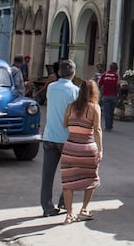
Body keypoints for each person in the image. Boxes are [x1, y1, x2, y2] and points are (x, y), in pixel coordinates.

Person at [40, 59, 80, 218]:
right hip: (68, 138)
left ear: (58, 73)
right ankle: (64, 200)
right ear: (74, 73)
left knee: (47, 175)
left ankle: (47, 207)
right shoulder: (76, 91)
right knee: (70, 174)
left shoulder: (51, 87)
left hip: (50, 136)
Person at [60, 80, 103, 224]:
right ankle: (84, 209)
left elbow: (64, 124)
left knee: (68, 182)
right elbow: (97, 129)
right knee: (91, 179)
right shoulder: (94, 108)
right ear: (94, 92)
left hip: (70, 148)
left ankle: (69, 215)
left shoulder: (70, 107)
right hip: (87, 148)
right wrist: (100, 149)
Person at [97, 62, 120, 131]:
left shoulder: (104, 75)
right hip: (113, 96)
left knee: (106, 112)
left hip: (105, 96)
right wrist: (119, 95)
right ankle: (110, 125)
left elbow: (99, 84)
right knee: (111, 111)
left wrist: (98, 93)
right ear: (116, 69)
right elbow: (118, 86)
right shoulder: (116, 76)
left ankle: (107, 126)